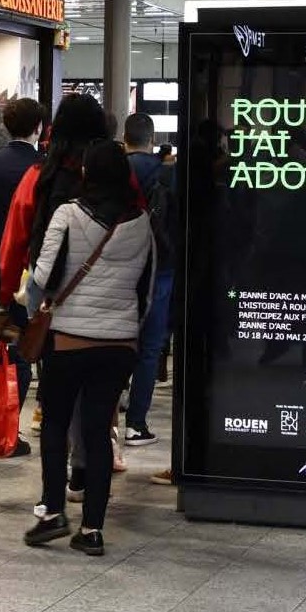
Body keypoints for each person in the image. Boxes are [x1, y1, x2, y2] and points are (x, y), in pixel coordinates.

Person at [24, 140, 155, 556]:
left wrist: (35, 308)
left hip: (66, 339)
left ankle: (52, 513)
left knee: (56, 424)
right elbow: (146, 292)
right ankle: (93, 529)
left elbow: (42, 276)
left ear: (86, 173)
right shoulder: (142, 221)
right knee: (98, 432)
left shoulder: (67, 212)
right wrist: (126, 328)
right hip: (118, 344)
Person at [0, 94, 116, 459]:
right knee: (97, 379)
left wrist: (4, 298)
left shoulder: (39, 175)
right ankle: (86, 461)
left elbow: (14, 240)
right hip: (106, 288)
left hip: (48, 289)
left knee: (58, 373)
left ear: (55, 129)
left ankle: (59, 453)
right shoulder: (114, 175)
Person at [0, 97, 44, 412]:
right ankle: (16, 417)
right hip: (32, 270)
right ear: (39, 128)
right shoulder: (43, 168)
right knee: (29, 342)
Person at [122, 113, 177, 448]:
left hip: (119, 266)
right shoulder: (165, 173)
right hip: (160, 265)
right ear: (151, 138)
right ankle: (136, 423)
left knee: (117, 342)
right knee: (150, 346)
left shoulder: (114, 170)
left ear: (125, 137)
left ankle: (112, 415)